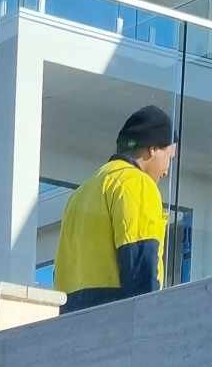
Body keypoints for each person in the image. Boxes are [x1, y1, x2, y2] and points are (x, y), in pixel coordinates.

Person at [53, 104, 178, 313]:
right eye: (169, 158)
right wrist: (150, 319)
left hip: (70, 320)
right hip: (115, 319)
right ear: (153, 148)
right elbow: (141, 267)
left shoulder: (81, 193)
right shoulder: (136, 183)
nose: (166, 171)